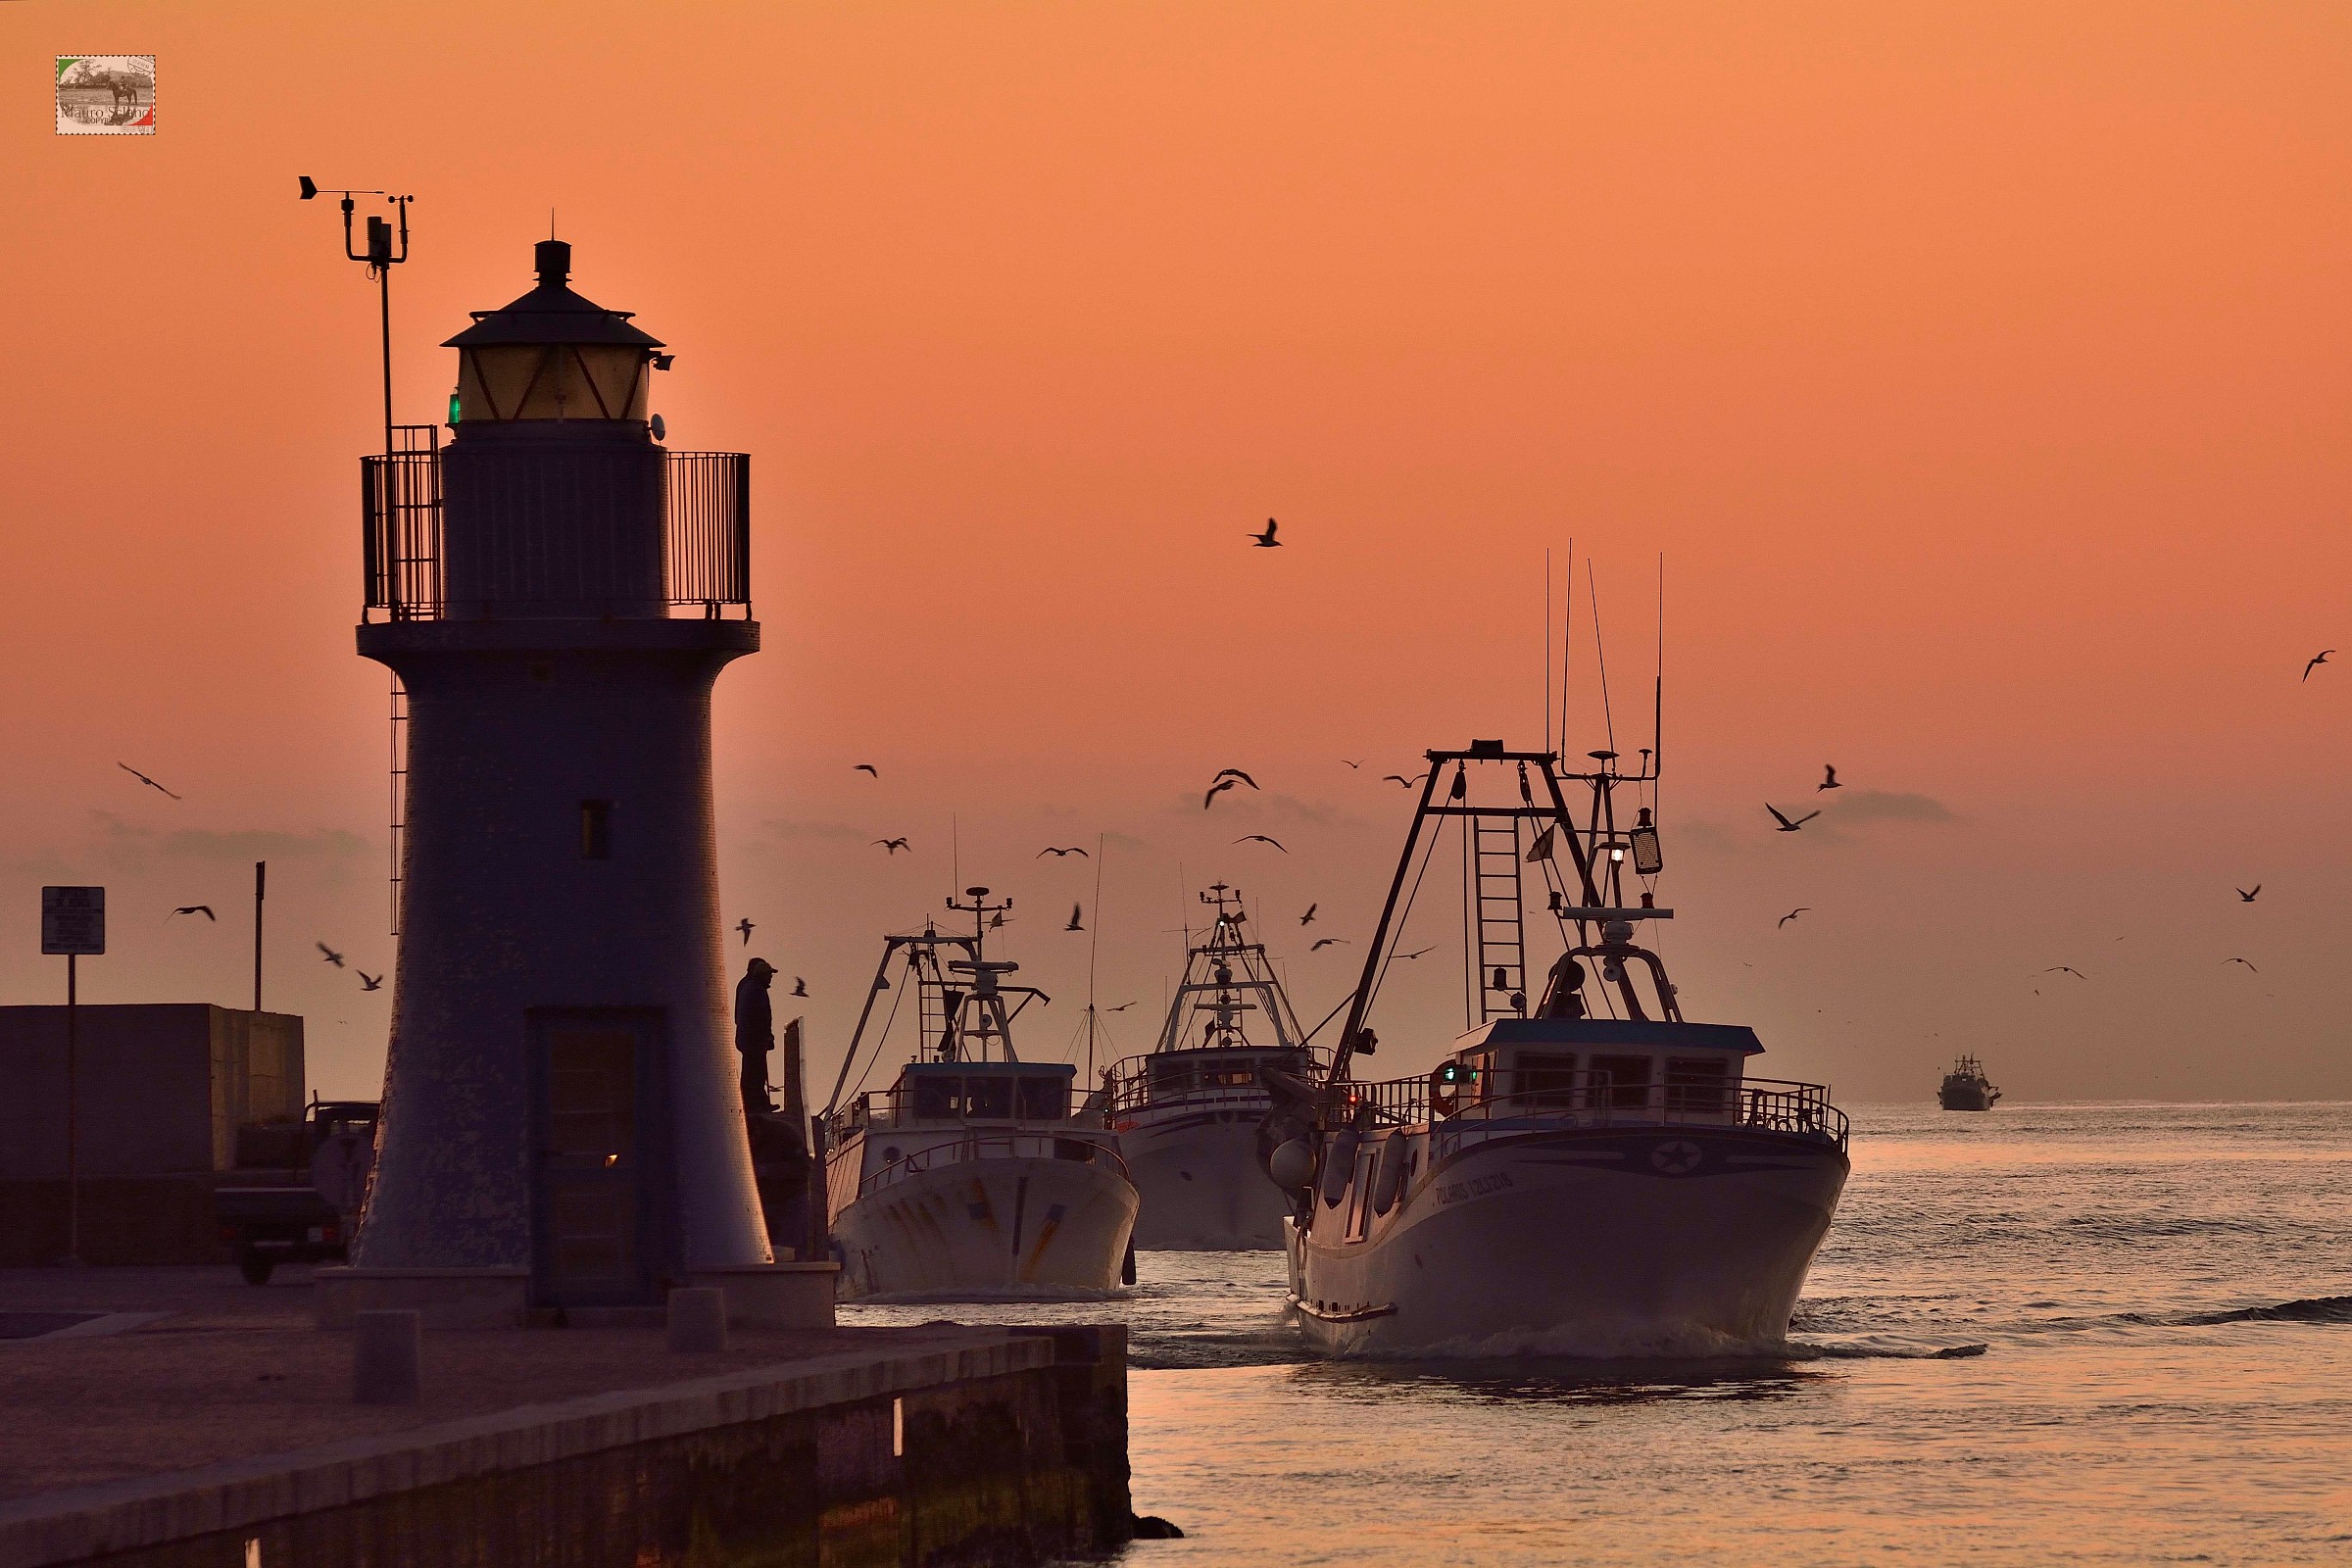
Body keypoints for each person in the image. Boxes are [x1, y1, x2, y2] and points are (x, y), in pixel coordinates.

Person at [735, 957, 776, 1115]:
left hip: (747, 1038)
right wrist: (766, 1037)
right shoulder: (756, 990)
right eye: (769, 974)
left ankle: (755, 1103)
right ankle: (756, 1106)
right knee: (755, 1074)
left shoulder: (747, 986)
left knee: (751, 1073)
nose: (771, 977)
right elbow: (761, 1017)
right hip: (753, 1040)